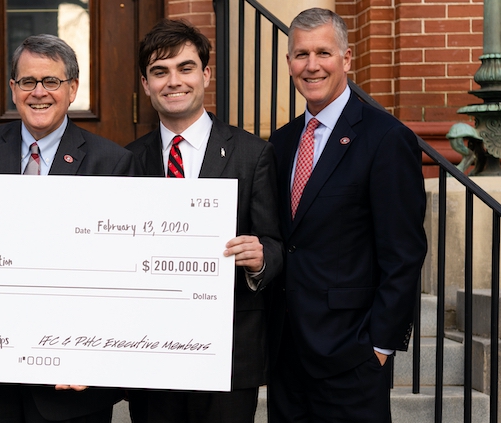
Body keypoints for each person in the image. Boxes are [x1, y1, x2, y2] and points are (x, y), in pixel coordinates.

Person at [0, 34, 133, 423]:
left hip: (71, 383)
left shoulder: (111, 163)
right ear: (13, 89)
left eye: (51, 81)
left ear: (72, 89)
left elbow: (121, 273)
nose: (39, 92)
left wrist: (96, 354)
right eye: (28, 81)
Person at [266, 8, 426, 422]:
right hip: (287, 356)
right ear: (289, 62)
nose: (312, 65)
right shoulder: (281, 143)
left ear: (347, 58)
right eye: (301, 54)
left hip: (351, 358)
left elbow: (404, 253)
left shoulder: (386, 138)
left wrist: (379, 347)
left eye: (323, 52)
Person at [122, 19, 281, 423]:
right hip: (150, 354)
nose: (173, 81)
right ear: (146, 84)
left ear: (206, 74)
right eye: (160, 71)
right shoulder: (126, 161)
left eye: (185, 68)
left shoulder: (252, 154)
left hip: (227, 354)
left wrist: (260, 258)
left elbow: (276, 244)